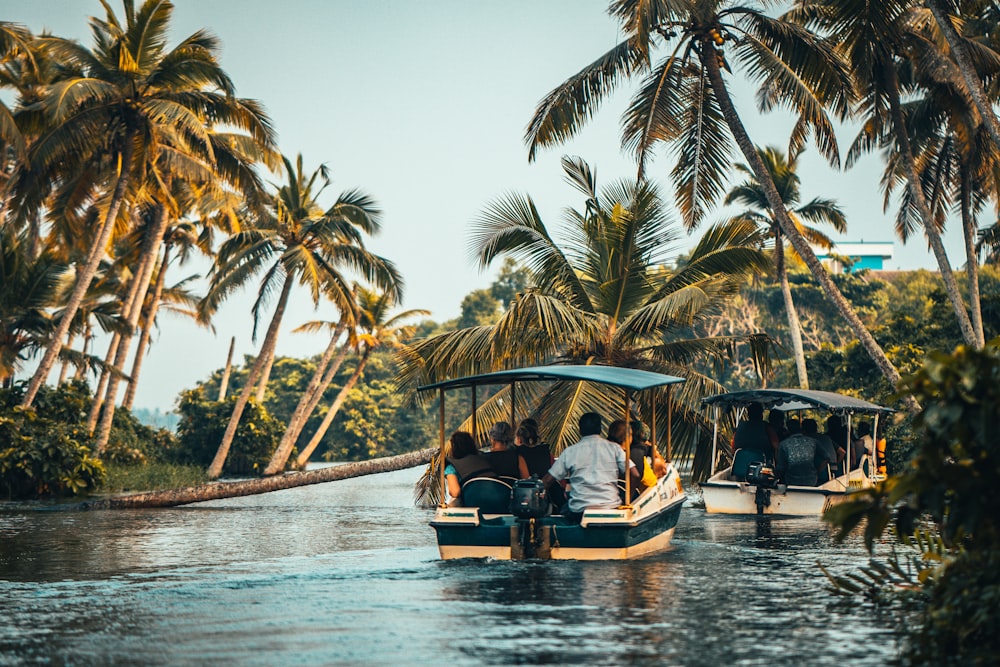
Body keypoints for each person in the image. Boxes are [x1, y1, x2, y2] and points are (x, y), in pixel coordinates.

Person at [542, 412, 639, 521]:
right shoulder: (614, 448)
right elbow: (635, 474)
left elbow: (548, 480)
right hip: (610, 507)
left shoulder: (570, 451)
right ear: (600, 429)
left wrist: (540, 492)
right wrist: (627, 499)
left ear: (580, 430)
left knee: (563, 509)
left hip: (580, 510)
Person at [444, 430, 494, 507]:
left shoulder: (451, 467)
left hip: (471, 501)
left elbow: (455, 492)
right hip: (494, 496)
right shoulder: (483, 459)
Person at [776, 419, 821, 486]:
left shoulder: (783, 444)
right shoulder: (813, 441)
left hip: (791, 481)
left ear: (788, 431)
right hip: (812, 480)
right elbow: (826, 457)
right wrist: (817, 471)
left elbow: (781, 467)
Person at [806, 418, 838, 483]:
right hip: (835, 469)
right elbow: (842, 452)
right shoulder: (826, 437)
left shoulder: (808, 439)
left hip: (822, 472)